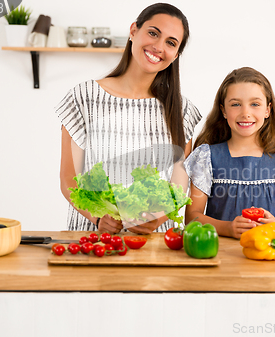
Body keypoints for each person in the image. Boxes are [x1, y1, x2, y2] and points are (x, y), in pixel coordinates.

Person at [55, 3, 201, 234]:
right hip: (94, 238)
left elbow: (178, 187)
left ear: (176, 55)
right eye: (153, 33)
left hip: (154, 243)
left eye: (171, 43)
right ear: (133, 31)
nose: (158, 47)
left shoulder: (182, 110)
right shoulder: (84, 97)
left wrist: (156, 217)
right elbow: (68, 179)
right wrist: (98, 216)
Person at [184, 67, 275, 239]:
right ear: (223, 110)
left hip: (267, 253)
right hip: (221, 254)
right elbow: (192, 217)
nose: (245, 113)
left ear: (268, 110)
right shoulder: (206, 156)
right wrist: (227, 228)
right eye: (236, 104)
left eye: (255, 104)